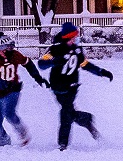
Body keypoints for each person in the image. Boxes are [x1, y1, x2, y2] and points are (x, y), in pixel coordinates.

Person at [38, 22, 113, 151]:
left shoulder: (77, 50)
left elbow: (85, 64)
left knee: (66, 113)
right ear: (67, 37)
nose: (75, 39)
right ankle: (86, 120)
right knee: (68, 112)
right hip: (58, 87)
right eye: (73, 37)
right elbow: (42, 64)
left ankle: (63, 144)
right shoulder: (55, 49)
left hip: (72, 87)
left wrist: (101, 72)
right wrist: (55, 61)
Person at [0, 32, 48, 146]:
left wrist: (37, 77)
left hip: (13, 91)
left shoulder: (15, 55)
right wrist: (6, 85)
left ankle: (22, 131)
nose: (7, 53)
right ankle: (4, 142)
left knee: (9, 113)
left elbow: (28, 63)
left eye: (10, 49)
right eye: (5, 51)